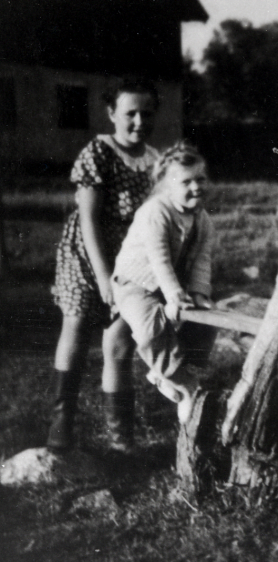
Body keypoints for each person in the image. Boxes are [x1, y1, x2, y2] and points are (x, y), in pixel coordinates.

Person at [49, 76, 161, 451]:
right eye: (131, 113)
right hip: (88, 254)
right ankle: (61, 428)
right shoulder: (98, 153)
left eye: (147, 114)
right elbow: (88, 220)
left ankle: (120, 440)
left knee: (119, 341)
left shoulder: (158, 162)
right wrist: (101, 276)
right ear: (112, 113)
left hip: (131, 263)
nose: (139, 122)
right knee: (77, 328)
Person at [111, 141, 216, 424]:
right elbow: (159, 258)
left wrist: (198, 292)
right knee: (149, 331)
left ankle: (178, 371)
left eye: (200, 179)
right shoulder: (156, 211)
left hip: (172, 285)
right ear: (166, 186)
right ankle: (184, 385)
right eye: (186, 182)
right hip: (136, 282)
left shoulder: (203, 219)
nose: (196, 187)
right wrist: (173, 294)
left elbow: (202, 260)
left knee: (206, 320)